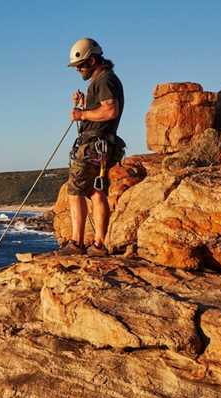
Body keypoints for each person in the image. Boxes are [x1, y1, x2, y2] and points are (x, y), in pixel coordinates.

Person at [59, 38, 125, 257]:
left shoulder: (104, 80)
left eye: (81, 65)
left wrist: (82, 114)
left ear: (93, 60)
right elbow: (102, 111)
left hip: (94, 145)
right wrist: (83, 105)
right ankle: (98, 245)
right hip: (104, 145)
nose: (78, 70)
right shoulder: (105, 80)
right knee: (96, 192)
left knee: (75, 191)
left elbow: (110, 111)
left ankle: (76, 243)